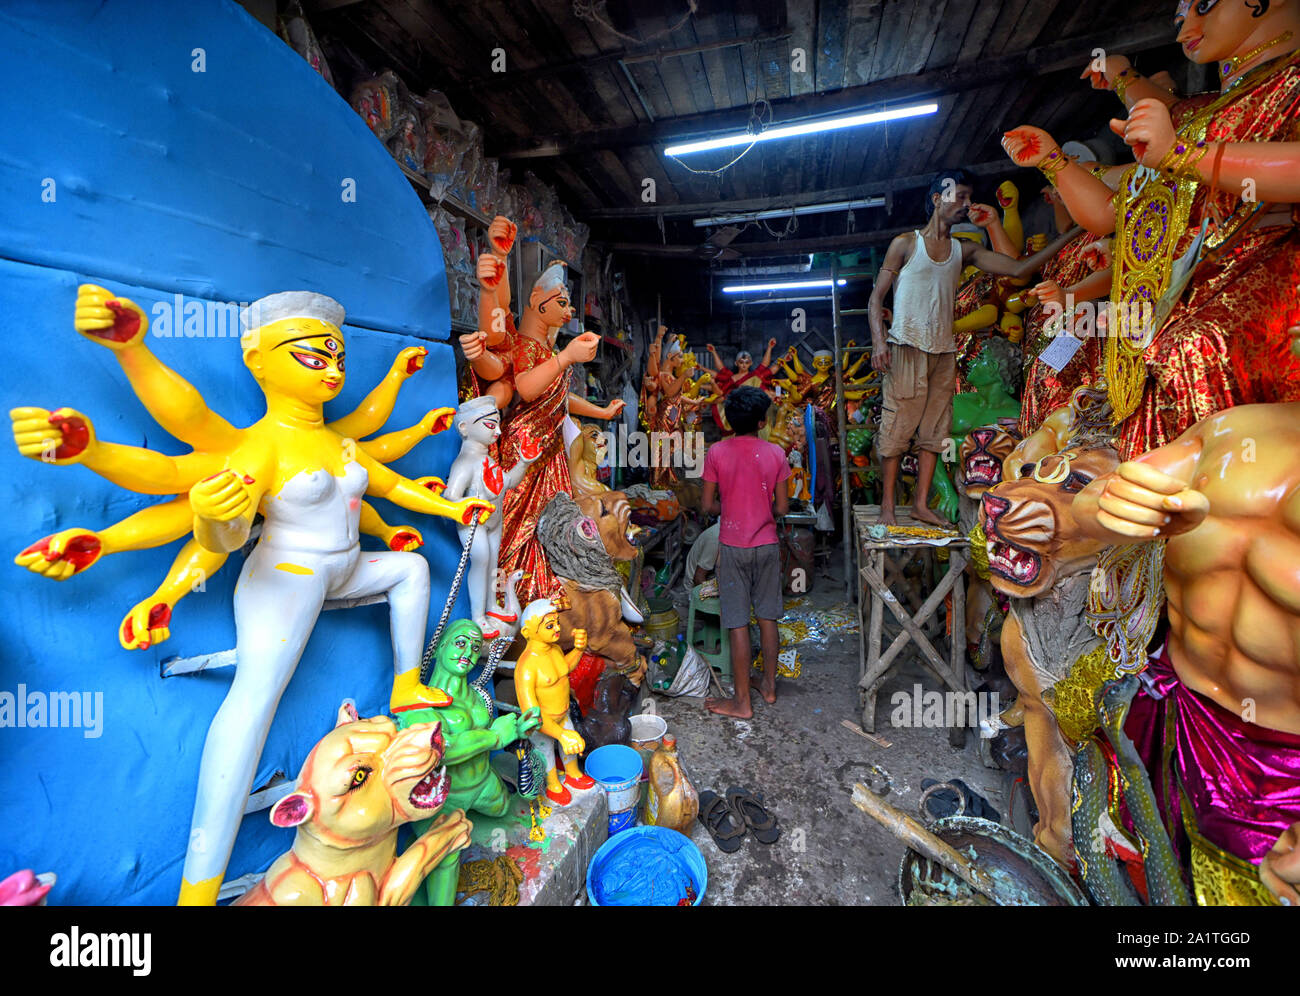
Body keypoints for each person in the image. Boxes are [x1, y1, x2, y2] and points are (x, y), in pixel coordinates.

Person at [869, 168, 1077, 526]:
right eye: (959, 197)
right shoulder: (905, 244)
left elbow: (1020, 267)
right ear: (937, 199)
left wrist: (1073, 233)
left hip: (944, 352)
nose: (965, 204)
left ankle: (921, 504)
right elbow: (876, 299)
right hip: (905, 347)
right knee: (897, 427)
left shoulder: (964, 251)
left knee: (935, 430)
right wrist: (878, 343)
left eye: (968, 197)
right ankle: (888, 508)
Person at [700, 386, 790, 718]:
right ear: (763, 420)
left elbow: (708, 505)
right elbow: (782, 506)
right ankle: (767, 686)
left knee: (738, 623)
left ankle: (741, 703)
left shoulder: (717, 453)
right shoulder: (776, 454)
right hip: (767, 545)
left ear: (729, 420)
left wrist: (733, 504)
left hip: (733, 547)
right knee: (768, 618)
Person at [685, 522, 720, 586]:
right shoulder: (715, 539)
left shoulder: (721, 529)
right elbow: (698, 579)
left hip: (708, 577)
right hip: (696, 585)